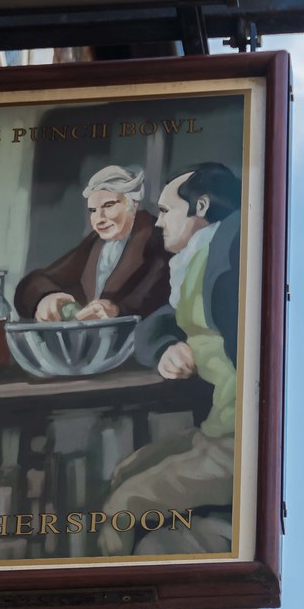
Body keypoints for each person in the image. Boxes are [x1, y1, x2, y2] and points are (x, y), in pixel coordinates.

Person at [99, 162, 242, 556]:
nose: (158, 223)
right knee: (124, 473)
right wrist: (166, 348)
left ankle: (116, 591)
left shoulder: (234, 247)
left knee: (121, 510)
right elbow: (156, 324)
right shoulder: (196, 258)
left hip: (237, 439)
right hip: (215, 429)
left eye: (165, 211)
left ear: (200, 205)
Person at [15, 164, 170, 322]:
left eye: (108, 206)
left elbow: (154, 296)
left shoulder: (159, 238)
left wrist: (116, 310)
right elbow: (38, 279)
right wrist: (46, 297)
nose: (99, 219)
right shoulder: (94, 243)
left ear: (134, 204)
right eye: (93, 211)